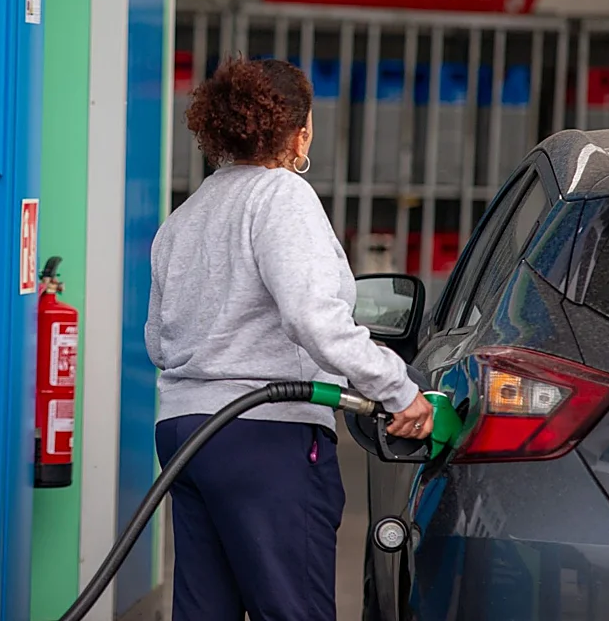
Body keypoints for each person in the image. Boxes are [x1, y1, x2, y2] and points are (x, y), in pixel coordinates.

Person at [146, 56, 434, 621]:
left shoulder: (186, 215)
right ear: (299, 131)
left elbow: (160, 338)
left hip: (185, 436)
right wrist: (399, 389)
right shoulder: (280, 196)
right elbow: (314, 318)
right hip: (263, 439)